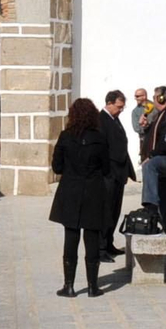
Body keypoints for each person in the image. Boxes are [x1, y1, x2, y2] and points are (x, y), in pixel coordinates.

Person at [50, 98, 112, 298]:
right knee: (92, 237)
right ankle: (93, 287)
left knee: (71, 236)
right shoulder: (100, 138)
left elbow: (57, 166)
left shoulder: (65, 136)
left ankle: (69, 286)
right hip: (93, 191)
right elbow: (106, 168)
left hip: (71, 190)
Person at [139, 86, 166, 253]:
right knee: (165, 202)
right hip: (163, 160)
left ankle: (150, 206)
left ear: (162, 99)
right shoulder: (160, 116)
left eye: (155, 97)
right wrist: (145, 127)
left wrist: (151, 156)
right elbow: (154, 137)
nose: (153, 99)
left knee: (150, 165)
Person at [99, 89, 137, 261]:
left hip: (118, 174)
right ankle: (100, 248)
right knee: (105, 212)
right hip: (109, 174)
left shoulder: (115, 119)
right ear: (109, 103)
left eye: (122, 107)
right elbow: (104, 149)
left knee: (114, 211)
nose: (121, 110)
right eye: (119, 106)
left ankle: (109, 243)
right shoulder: (102, 120)